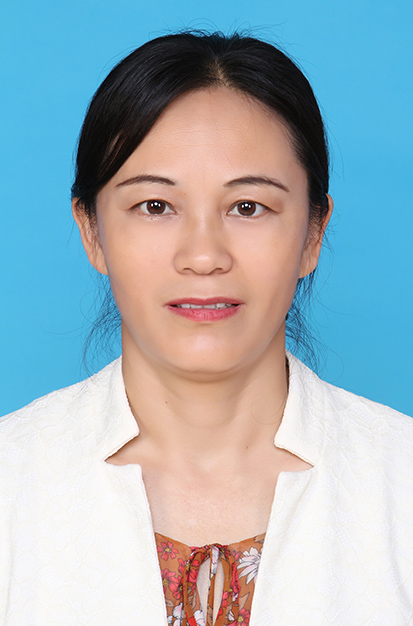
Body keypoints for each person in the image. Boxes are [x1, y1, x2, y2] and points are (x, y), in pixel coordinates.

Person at [0, 31, 412, 626]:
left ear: (313, 234)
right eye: (155, 206)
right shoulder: (11, 481)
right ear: (91, 231)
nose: (202, 256)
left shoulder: (400, 479)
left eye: (248, 207)